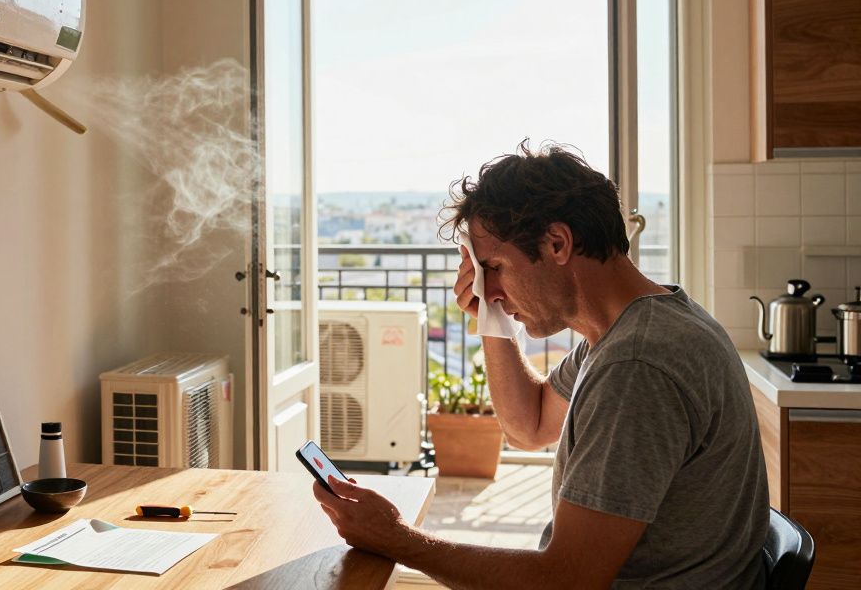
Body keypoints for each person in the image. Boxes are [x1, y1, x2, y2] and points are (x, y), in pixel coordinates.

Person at [313, 142, 768, 588]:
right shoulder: (629, 328)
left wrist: (395, 538)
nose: (488, 289)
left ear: (556, 243)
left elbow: (566, 581)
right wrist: (492, 319)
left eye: (494, 267)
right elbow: (528, 426)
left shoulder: (636, 365)